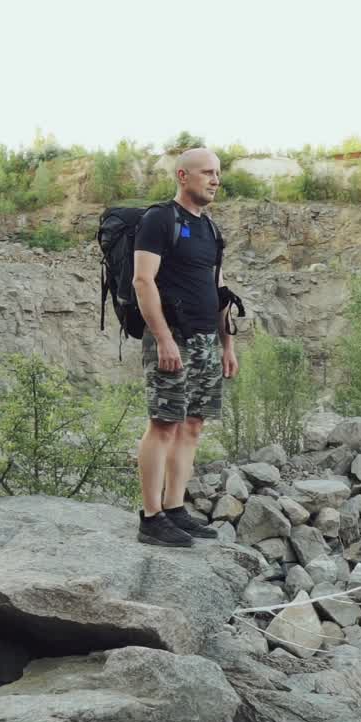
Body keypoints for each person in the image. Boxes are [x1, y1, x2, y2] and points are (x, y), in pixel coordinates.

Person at [132, 146, 238, 546]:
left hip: (206, 341)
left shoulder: (211, 229)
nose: (216, 179)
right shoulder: (159, 220)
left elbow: (220, 291)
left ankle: (175, 508)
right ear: (182, 175)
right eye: (207, 172)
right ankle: (151, 517)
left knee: (193, 425)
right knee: (164, 424)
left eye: (218, 173)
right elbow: (142, 282)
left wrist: (227, 345)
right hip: (171, 338)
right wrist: (162, 338)